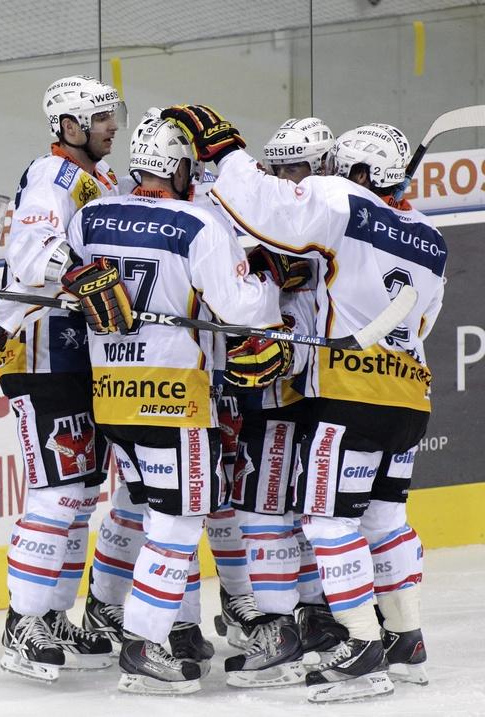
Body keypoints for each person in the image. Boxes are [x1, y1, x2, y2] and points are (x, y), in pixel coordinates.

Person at [163, 105, 445, 701]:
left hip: (347, 395)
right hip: (409, 394)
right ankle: (406, 641)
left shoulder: (345, 202)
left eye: (344, 168)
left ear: (362, 172)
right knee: (384, 519)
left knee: (326, 521)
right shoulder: (431, 238)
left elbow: (269, 210)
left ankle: (363, 650)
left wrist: (224, 151)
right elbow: (421, 319)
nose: (331, 175)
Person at [60, 113, 287, 694]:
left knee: (149, 510)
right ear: (181, 167)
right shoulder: (197, 223)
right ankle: (144, 644)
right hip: (176, 399)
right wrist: (268, 279)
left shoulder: (90, 216)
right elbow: (241, 310)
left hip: (111, 395)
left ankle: (146, 627)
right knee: (179, 523)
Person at [0, 74, 126, 682]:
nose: (112, 127)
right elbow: (31, 259)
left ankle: (49, 614)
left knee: (79, 497)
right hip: (43, 358)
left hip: (83, 359)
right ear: (69, 128)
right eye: (100, 118)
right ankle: (21, 625)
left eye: (112, 115)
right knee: (58, 493)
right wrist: (78, 273)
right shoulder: (52, 178)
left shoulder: (102, 180)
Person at [218, 117, 336, 688]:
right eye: (279, 167)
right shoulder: (284, 219)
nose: (288, 179)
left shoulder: (327, 216)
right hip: (292, 392)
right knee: (296, 512)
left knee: (265, 511)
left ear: (326, 166)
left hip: (292, 395)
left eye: (299, 167)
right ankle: (316, 618)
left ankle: (277, 632)